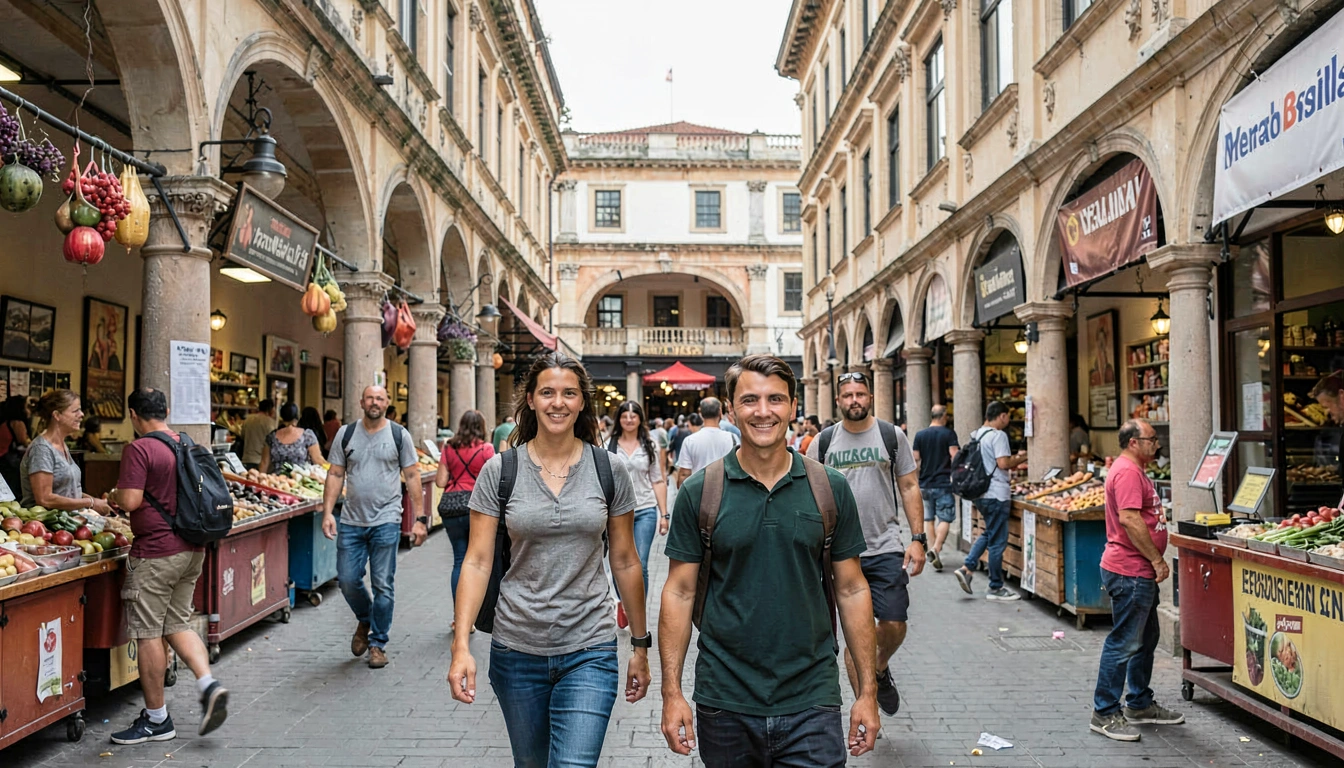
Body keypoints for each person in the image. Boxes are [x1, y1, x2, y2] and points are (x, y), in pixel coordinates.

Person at [660, 354, 879, 764]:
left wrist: (867, 693)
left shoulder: (829, 488)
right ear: (729, 410)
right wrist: (671, 693)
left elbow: (851, 589)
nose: (763, 412)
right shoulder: (700, 492)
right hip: (725, 697)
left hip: (812, 695)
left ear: (793, 406)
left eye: (776, 399)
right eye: (749, 401)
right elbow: (679, 592)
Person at [449, 352, 649, 767]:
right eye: (548, 392)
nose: (558, 402)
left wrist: (641, 647)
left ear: (582, 402)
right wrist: (461, 644)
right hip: (516, 648)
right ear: (531, 399)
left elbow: (627, 561)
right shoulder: (499, 471)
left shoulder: (609, 470)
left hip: (590, 646)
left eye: (569, 394)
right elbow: (478, 561)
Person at [107, 388, 228, 743]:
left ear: (133, 415)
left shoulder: (140, 448)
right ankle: (208, 683)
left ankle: (157, 719)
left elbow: (130, 500)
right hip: (192, 549)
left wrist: (113, 495)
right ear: (167, 410)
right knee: (177, 622)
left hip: (156, 553)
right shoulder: (186, 443)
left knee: (147, 633)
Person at [807, 370, 925, 719]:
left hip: (885, 544)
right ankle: (866, 708)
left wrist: (918, 539)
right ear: (839, 400)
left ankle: (878, 666)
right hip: (839, 553)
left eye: (860, 394)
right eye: (847, 395)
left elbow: (908, 486)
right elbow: (808, 493)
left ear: (870, 397)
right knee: (855, 637)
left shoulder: (891, 436)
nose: (854, 400)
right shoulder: (823, 442)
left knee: (894, 621)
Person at [1090, 418, 1182, 741]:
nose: (1157, 444)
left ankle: (1139, 702)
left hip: (1136, 571)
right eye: (1152, 438)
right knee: (1125, 641)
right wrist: (1156, 559)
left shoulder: (1132, 469)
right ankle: (1104, 711)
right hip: (1130, 570)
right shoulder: (1128, 472)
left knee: (1145, 638)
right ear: (1133, 442)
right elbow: (1129, 519)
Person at [321, 386, 425, 669]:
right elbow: (335, 474)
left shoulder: (398, 435)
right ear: (361, 402)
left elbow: (413, 475)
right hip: (352, 520)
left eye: (380, 398)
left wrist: (420, 518)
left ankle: (378, 644)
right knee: (346, 578)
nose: (374, 402)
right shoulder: (346, 433)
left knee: (383, 585)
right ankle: (366, 619)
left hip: (387, 520)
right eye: (370, 398)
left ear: (387, 402)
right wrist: (328, 512)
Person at [953, 401, 1028, 601]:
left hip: (981, 493)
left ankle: (967, 567)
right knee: (997, 542)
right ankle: (995, 587)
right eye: (1008, 416)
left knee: (989, 533)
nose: (1009, 421)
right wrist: (1021, 458)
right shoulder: (998, 435)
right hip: (996, 493)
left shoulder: (977, 434)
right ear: (1002, 416)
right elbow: (1003, 463)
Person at [607, 401, 669, 630]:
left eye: (634, 415)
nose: (630, 419)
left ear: (641, 419)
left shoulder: (649, 444)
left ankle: (637, 608)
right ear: (619, 419)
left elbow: (658, 479)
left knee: (640, 563)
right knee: (618, 562)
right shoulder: (608, 445)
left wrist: (665, 514)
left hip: (645, 509)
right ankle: (624, 602)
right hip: (616, 513)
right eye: (625, 416)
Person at [436, 409, 494, 630]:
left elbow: (441, 481)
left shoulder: (449, 447)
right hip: (478, 507)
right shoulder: (486, 449)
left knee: (460, 561)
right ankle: (476, 615)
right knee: (478, 562)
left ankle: (459, 620)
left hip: (451, 508)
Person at [21, 390, 115, 514]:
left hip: (69, 522)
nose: (81, 415)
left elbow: (67, 492)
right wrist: (90, 503)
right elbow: (45, 499)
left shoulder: (62, 445)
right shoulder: (41, 449)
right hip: (47, 527)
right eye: (75, 411)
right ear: (57, 415)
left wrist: (95, 501)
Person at [911, 404, 960, 571]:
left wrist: (916, 479)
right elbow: (955, 456)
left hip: (925, 482)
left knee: (928, 518)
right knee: (945, 518)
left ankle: (932, 554)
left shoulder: (920, 435)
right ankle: (936, 548)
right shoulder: (948, 434)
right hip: (943, 482)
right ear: (944, 416)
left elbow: (915, 459)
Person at [675, 398, 738, 483]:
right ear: (720, 412)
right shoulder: (732, 438)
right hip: (726, 491)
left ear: (700, 414)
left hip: (698, 491)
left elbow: (684, 473)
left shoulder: (690, 441)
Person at [260, 403, 324, 473]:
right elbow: (318, 459)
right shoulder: (307, 436)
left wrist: (259, 480)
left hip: (277, 480)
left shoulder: (271, 437)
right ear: (298, 416)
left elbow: (264, 463)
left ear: (282, 416)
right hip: (300, 480)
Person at [0, 395, 31, 495]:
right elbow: (24, 441)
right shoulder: (17, 423)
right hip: (7, 461)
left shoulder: (6, 422)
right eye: (27, 406)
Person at [239, 399, 277, 469]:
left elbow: (242, 436)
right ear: (271, 409)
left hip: (247, 459)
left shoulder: (247, 420)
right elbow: (273, 441)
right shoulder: (270, 423)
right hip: (261, 461)